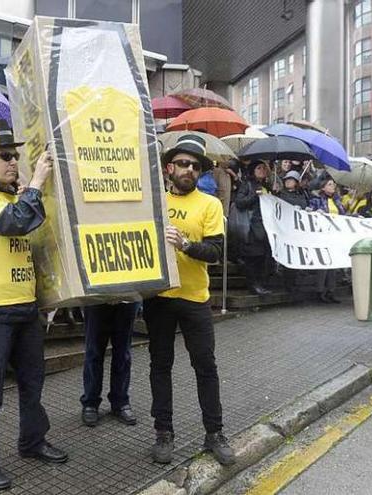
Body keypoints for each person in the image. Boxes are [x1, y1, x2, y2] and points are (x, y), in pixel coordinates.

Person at [0, 120, 66, 490]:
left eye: (16, 156)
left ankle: (32, 441)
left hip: (25, 306)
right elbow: (13, 224)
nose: (13, 162)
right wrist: (35, 184)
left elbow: (36, 230)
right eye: (5, 156)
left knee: (32, 383)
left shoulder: (10, 194)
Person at [145, 133, 233, 467]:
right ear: (169, 168)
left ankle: (215, 433)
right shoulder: (153, 202)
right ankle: (163, 433)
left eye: (196, 166)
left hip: (195, 298)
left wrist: (184, 245)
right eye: (183, 164)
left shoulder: (209, 204)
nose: (189, 170)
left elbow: (216, 252)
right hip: (160, 297)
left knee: (205, 366)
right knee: (160, 366)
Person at [79, 301, 139, 427]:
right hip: (96, 297)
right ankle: (90, 402)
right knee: (94, 352)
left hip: (127, 297)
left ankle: (120, 401)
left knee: (123, 354)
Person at [234, 161, 273, 296]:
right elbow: (239, 202)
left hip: (266, 228)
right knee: (253, 258)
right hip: (252, 228)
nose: (262, 170)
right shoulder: (247, 185)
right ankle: (254, 285)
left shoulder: (267, 186)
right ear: (252, 170)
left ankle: (261, 284)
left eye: (264, 168)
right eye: (258, 168)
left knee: (263, 258)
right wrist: (254, 196)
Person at [309, 177, 345, 303]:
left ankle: (331, 291)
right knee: (323, 264)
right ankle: (320, 291)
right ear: (323, 187)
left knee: (333, 265)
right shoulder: (316, 200)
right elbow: (309, 213)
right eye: (330, 184)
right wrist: (315, 212)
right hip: (323, 236)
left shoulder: (337, 201)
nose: (333, 186)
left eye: (333, 184)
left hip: (334, 236)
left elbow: (343, 217)